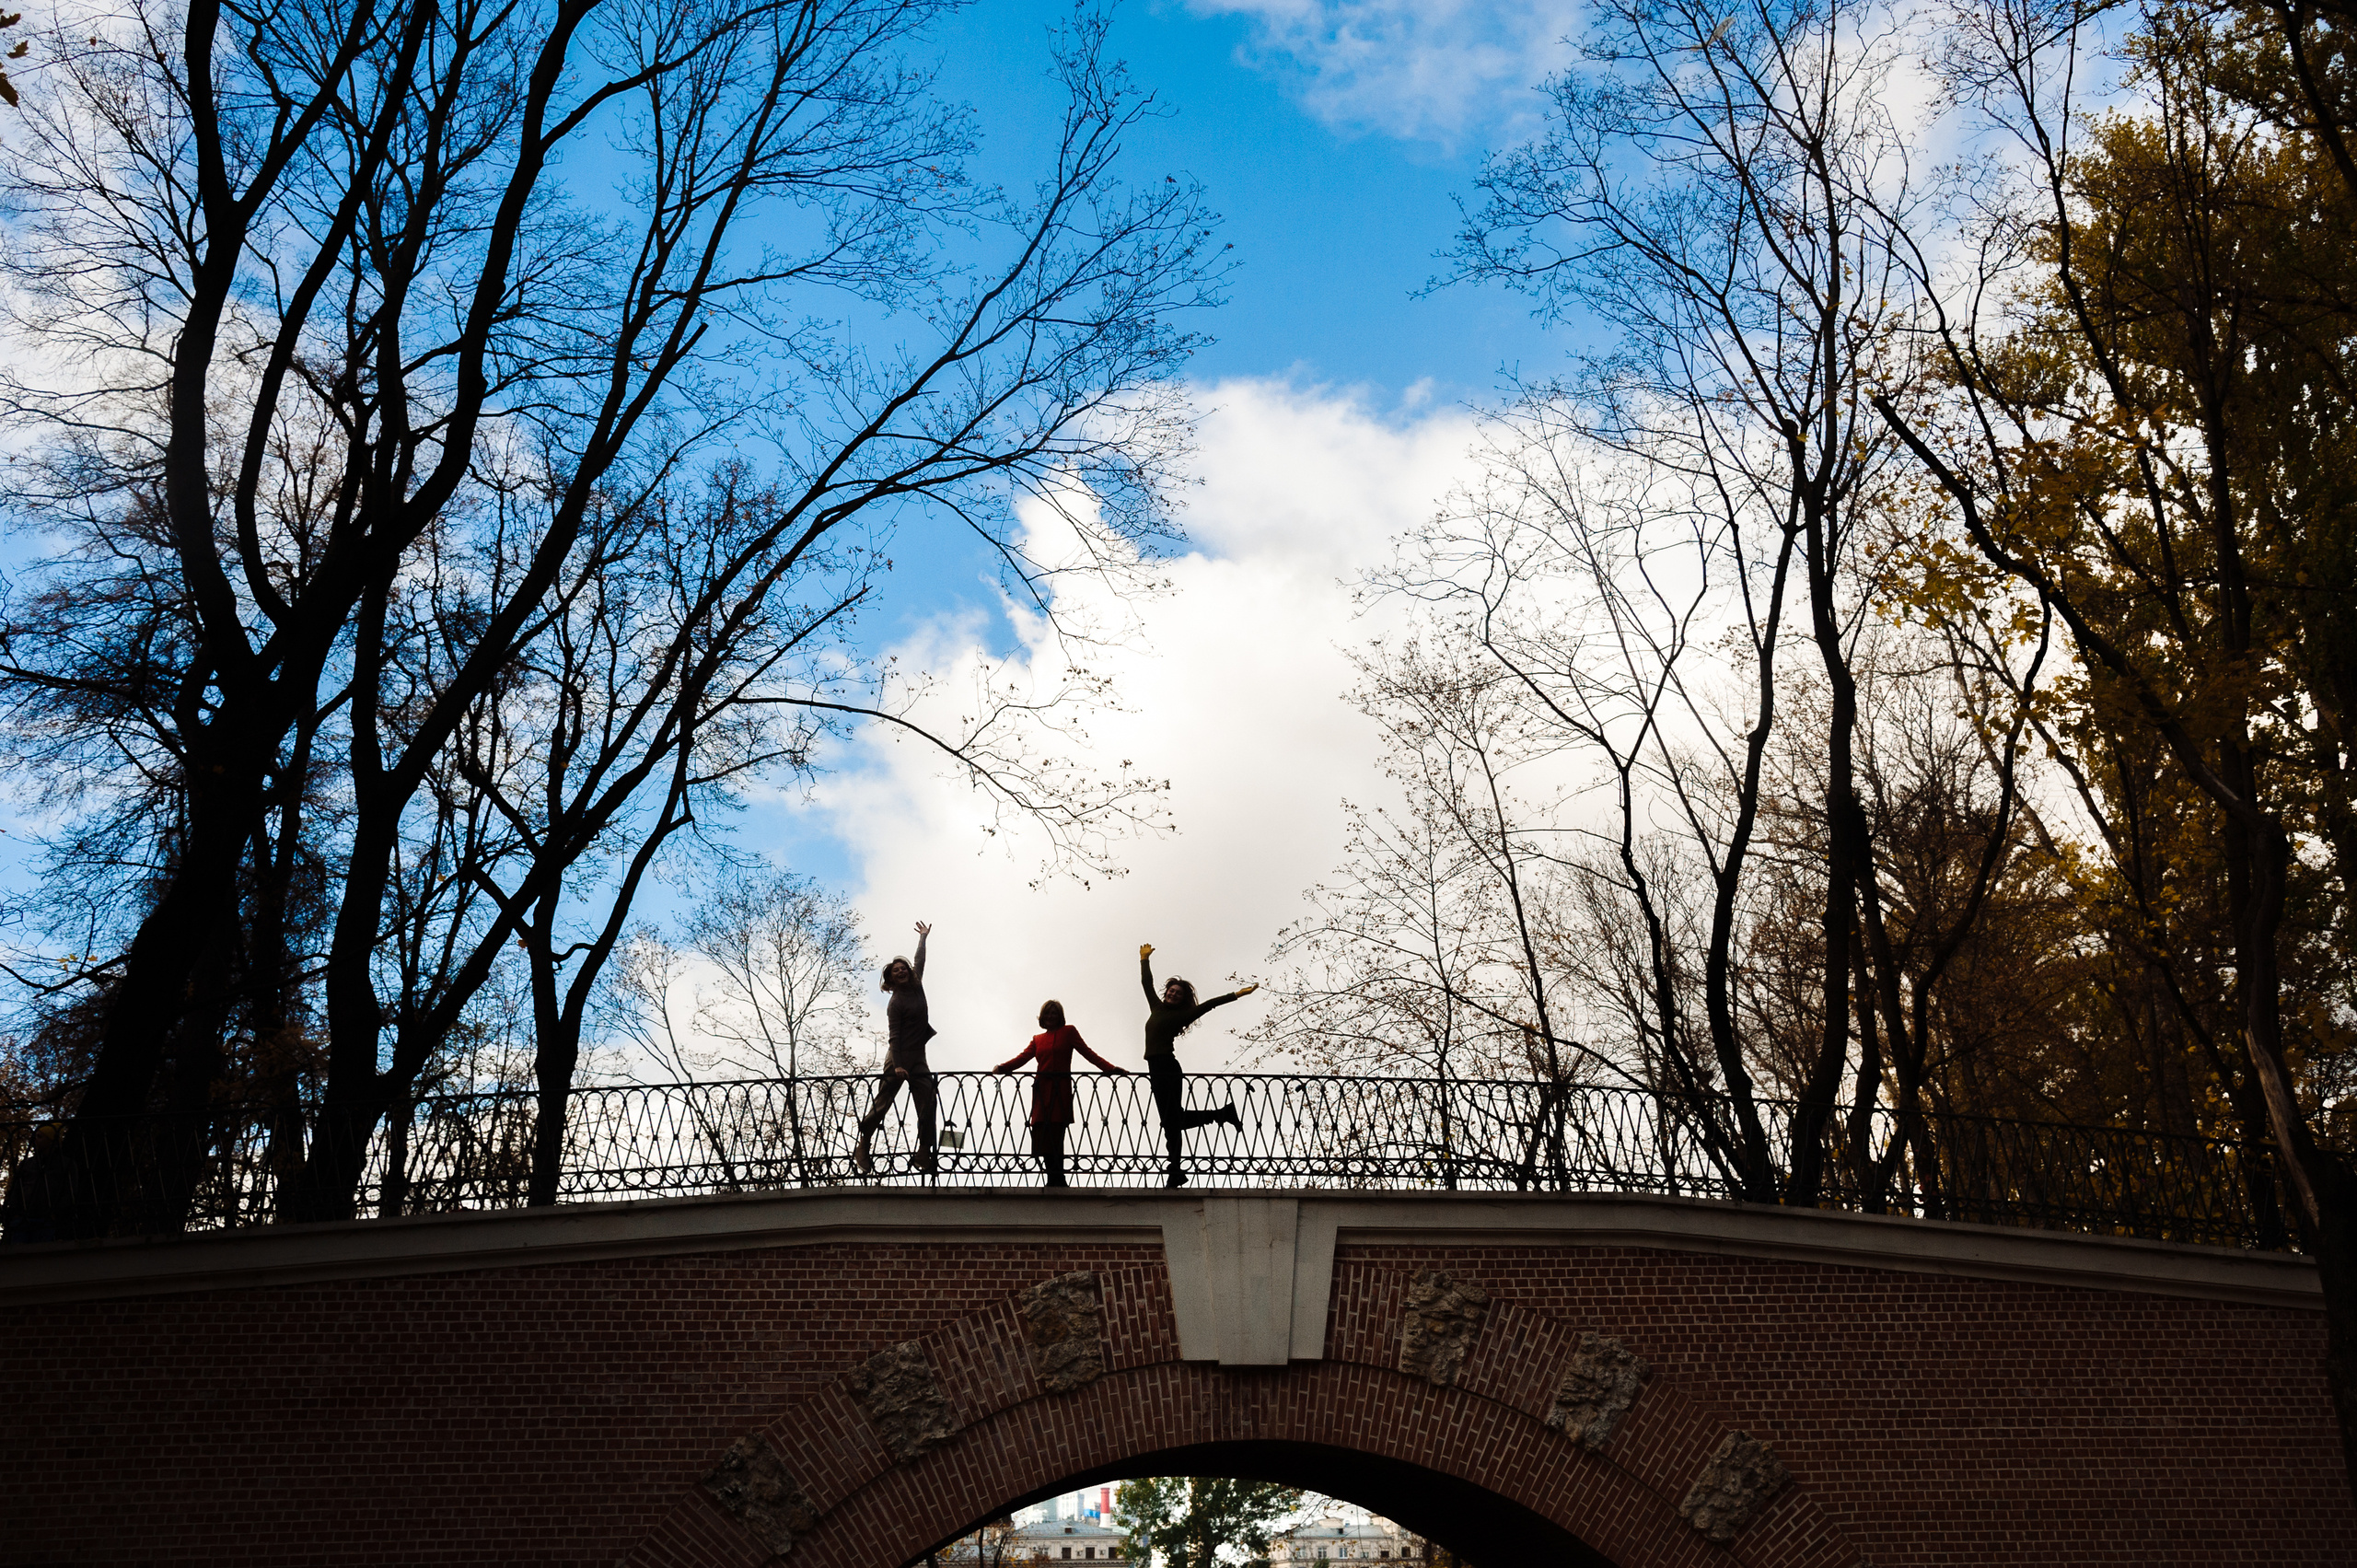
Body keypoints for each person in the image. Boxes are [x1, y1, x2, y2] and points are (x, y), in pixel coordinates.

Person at [1137, 942, 1258, 1188]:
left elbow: (1209, 1004)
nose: (1173, 994)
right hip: (1156, 1069)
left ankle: (1175, 1170)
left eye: (1178, 994)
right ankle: (1221, 1115)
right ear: (1166, 992)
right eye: (1171, 991)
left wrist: (1237, 994)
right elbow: (1146, 983)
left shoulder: (1182, 1015)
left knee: (1171, 1122)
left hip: (1167, 1068)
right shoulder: (1156, 1007)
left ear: (1183, 1000)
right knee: (1173, 1120)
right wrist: (1144, 960)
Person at [994, 1000, 1129, 1188]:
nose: (1051, 1016)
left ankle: (1059, 1178)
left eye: (1054, 1013)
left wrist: (1111, 1069)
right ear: (1042, 1017)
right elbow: (1022, 1058)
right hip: (1042, 1091)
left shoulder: (1069, 1032)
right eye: (1048, 1013)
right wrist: (1002, 1068)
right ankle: (1051, 1178)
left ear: (1060, 1016)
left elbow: (1088, 1053)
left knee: (1057, 1131)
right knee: (1042, 1133)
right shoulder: (1037, 1039)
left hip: (1060, 1089)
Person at [855, 921, 937, 1174]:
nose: (901, 972)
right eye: (895, 971)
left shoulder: (917, 984)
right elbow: (894, 1037)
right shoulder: (896, 1003)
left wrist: (923, 937)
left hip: (918, 1057)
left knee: (928, 1101)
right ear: (890, 978)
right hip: (898, 1057)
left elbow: (920, 960)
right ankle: (864, 1144)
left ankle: (923, 1151)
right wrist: (899, 1065)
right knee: (883, 1103)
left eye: (903, 968)